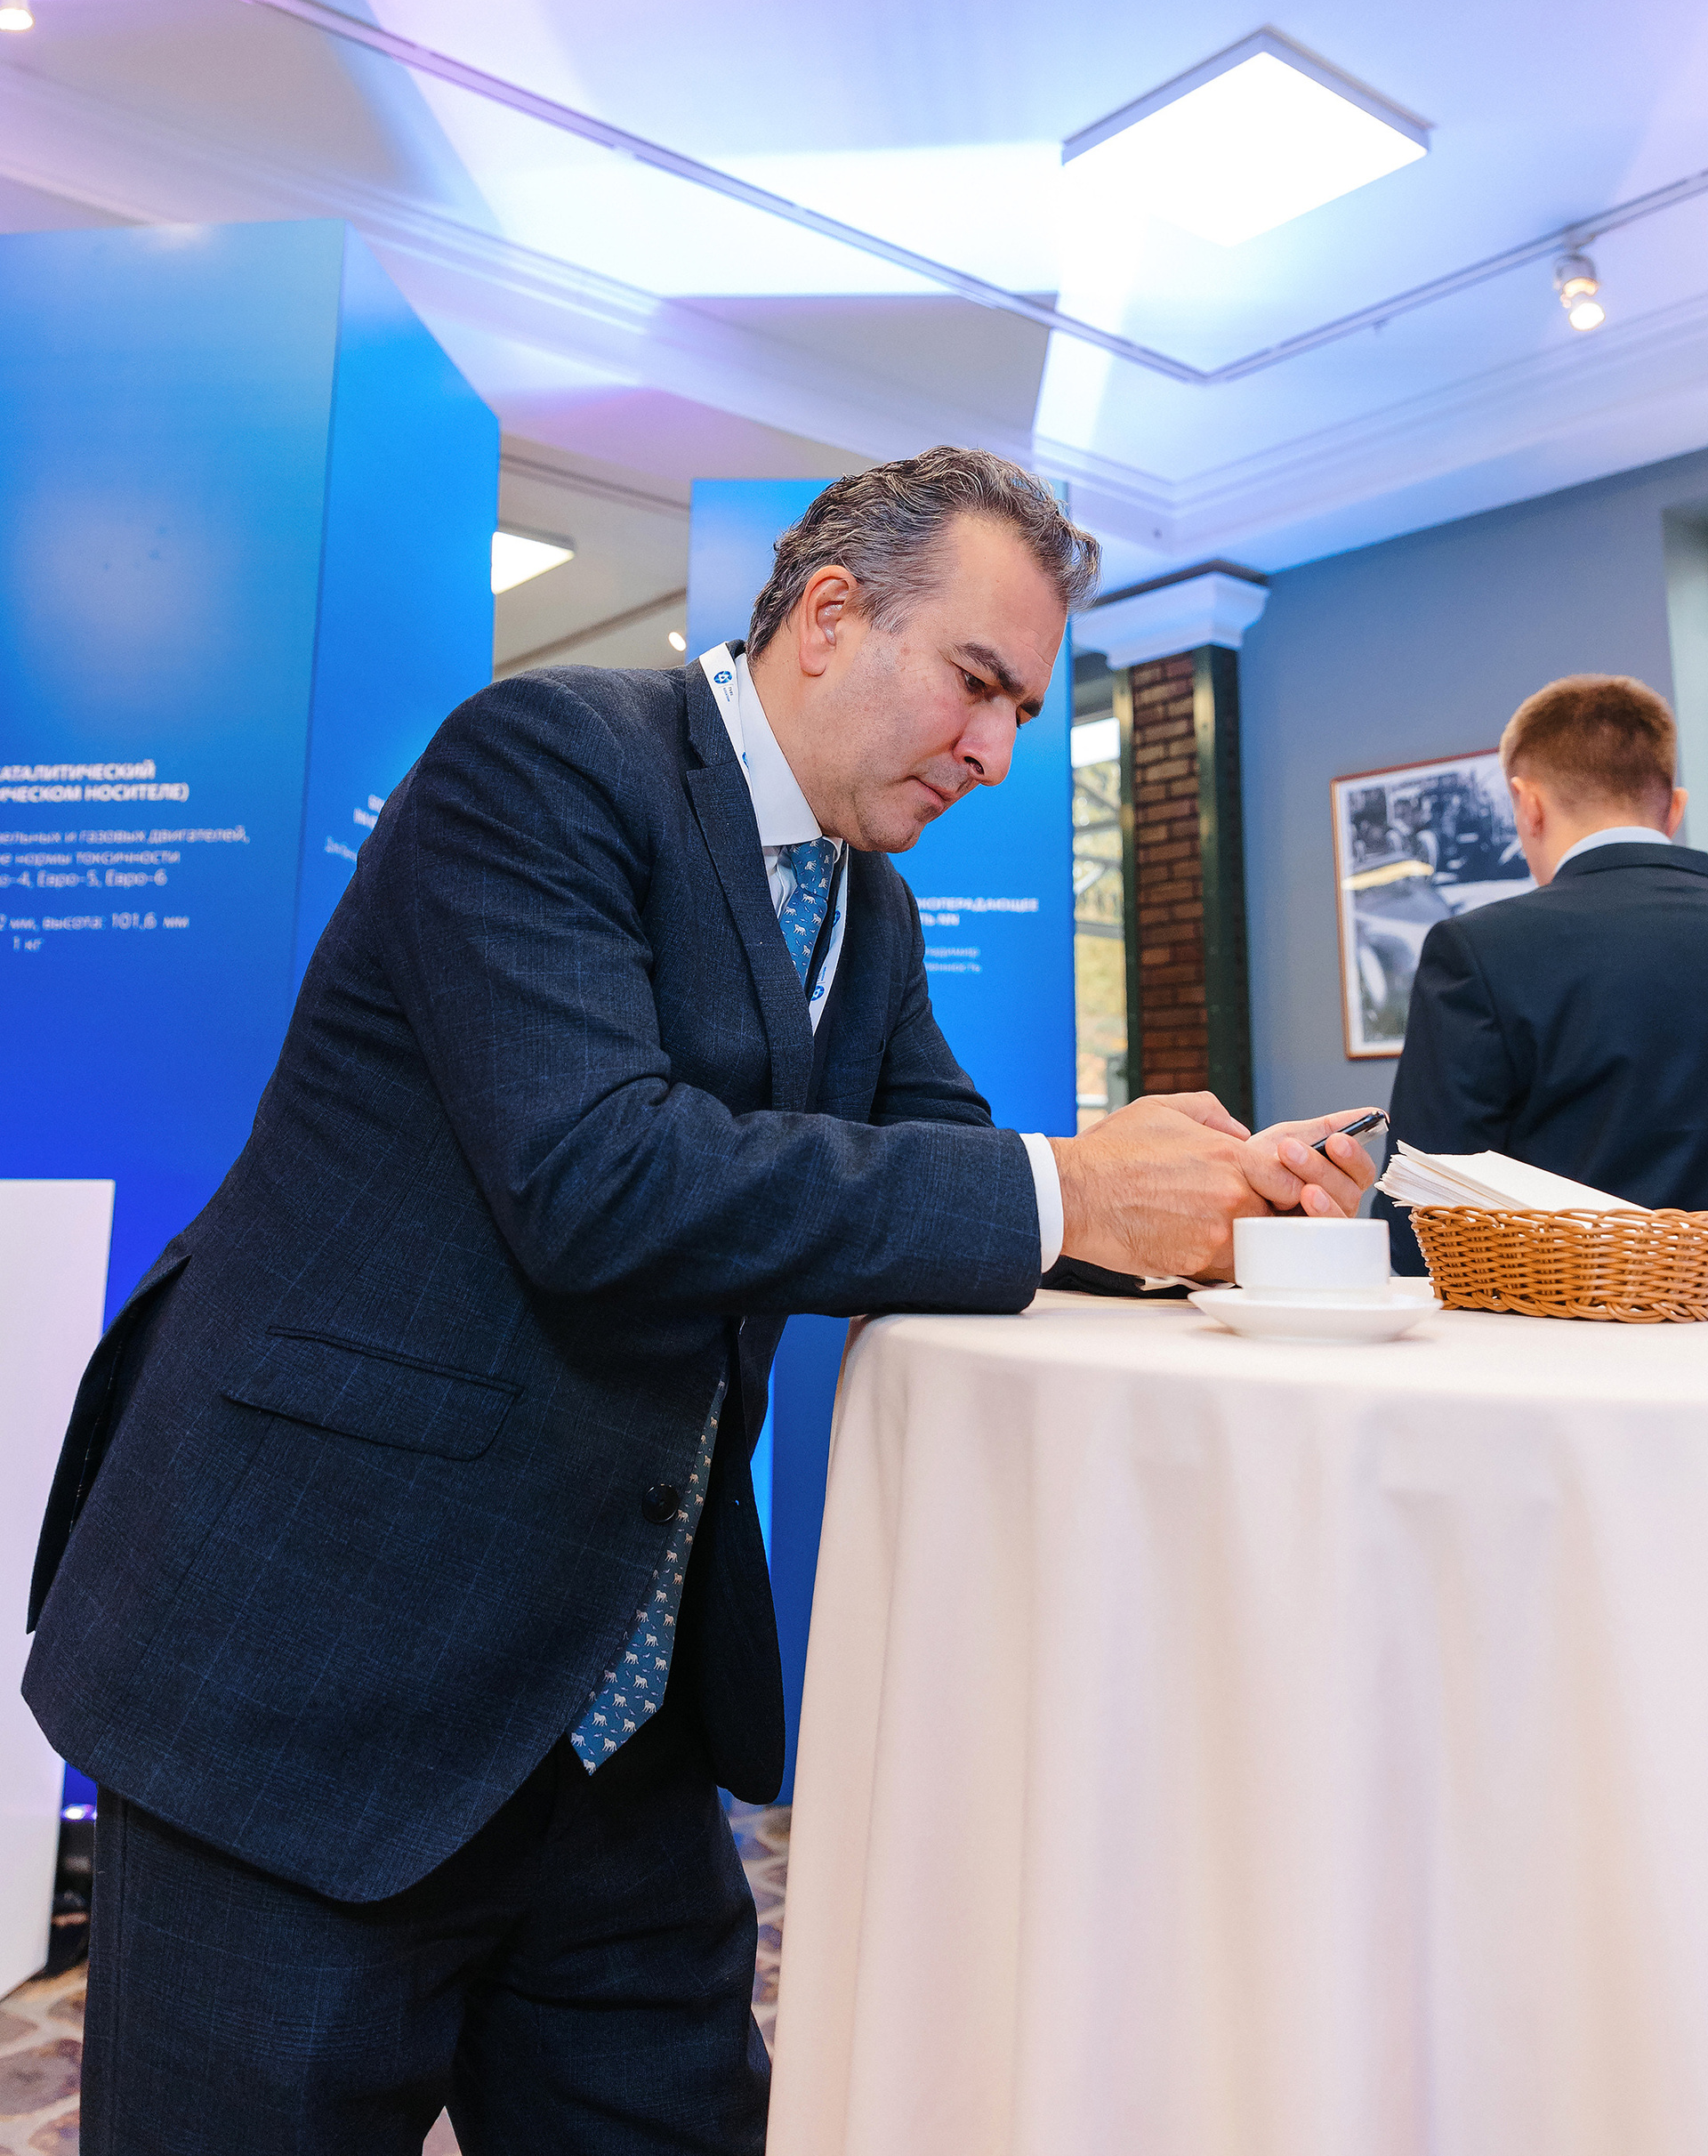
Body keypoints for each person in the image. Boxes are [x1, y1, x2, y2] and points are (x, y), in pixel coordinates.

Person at [25, 448, 1376, 2156]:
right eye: (977, 683)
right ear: (830, 616)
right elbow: (600, 1178)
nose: (995, 753)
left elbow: (958, 1177)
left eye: (1025, 712)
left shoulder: (869, 910)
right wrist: (1078, 1187)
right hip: (317, 1673)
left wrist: (1211, 1206)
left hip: (616, 1731)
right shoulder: (540, 763)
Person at [1377, 673, 1708, 1273]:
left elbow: (1422, 1221)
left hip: (1569, 1321)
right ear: (1675, 809)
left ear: (1528, 804)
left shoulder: (1479, 947)